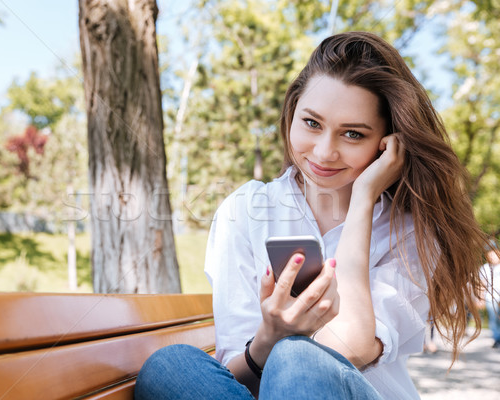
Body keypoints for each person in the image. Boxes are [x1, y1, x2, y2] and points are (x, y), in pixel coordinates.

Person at [134, 31, 489, 399]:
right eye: (312, 123)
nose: (323, 152)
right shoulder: (246, 211)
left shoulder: (411, 231)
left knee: (297, 358)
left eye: (352, 134)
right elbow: (230, 379)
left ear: (387, 143)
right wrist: (269, 337)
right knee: (170, 366)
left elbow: (353, 344)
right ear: (293, 113)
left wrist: (364, 199)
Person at [481, 240, 500, 348]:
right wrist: (481, 298)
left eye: (494, 253)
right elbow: (482, 284)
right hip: (491, 298)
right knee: (494, 318)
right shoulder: (485, 268)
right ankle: (497, 338)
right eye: (490, 254)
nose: (492, 256)